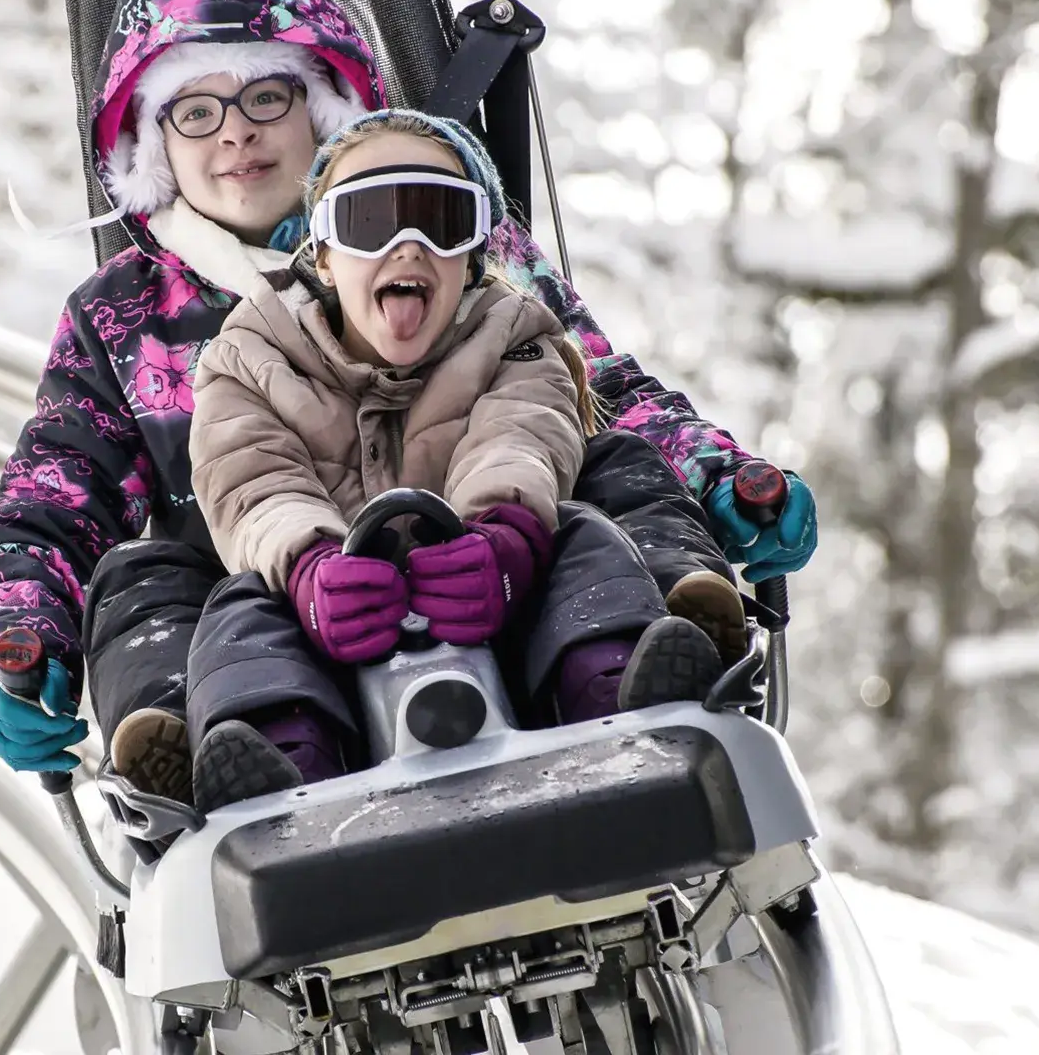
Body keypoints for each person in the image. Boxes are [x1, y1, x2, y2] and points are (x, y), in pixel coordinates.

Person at [0, 0, 818, 805]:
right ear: (155, 143)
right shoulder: (124, 318)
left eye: (267, 94)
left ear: (322, 106)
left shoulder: (454, 240)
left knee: (611, 469)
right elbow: (51, 498)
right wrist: (17, 631)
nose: (238, 133)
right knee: (139, 580)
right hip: (271, 628)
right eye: (194, 111)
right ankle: (198, 755)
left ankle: (657, 650)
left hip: (502, 579)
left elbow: (597, 389)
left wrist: (718, 472)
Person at [184, 108, 736, 812]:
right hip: (329, 622)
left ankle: (615, 688)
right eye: (369, 221)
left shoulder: (512, 335)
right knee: (239, 604)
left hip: (499, 611)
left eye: (439, 221)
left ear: (472, 254)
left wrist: (504, 539)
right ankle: (285, 760)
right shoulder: (250, 357)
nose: (407, 247)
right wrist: (308, 567)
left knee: (582, 532)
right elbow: (254, 482)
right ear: (322, 255)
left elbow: (520, 434)